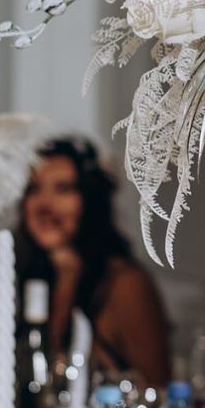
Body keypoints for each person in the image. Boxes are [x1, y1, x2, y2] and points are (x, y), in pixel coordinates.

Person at [17, 135, 171, 389]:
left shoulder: (125, 285)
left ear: (90, 199)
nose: (44, 204)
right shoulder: (29, 276)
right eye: (34, 189)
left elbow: (158, 392)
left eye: (63, 189)